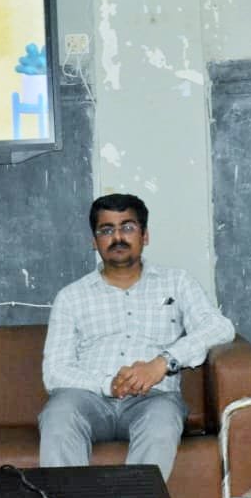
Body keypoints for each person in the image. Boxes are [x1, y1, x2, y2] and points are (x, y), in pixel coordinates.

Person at [38, 193, 234, 482]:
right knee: (59, 415)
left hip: (153, 398)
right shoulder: (71, 296)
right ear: (94, 241)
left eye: (127, 227)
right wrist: (108, 384)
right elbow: (54, 371)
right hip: (88, 399)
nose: (117, 237)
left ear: (145, 235)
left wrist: (162, 363)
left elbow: (220, 328)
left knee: (162, 422)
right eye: (106, 230)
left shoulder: (176, 282)